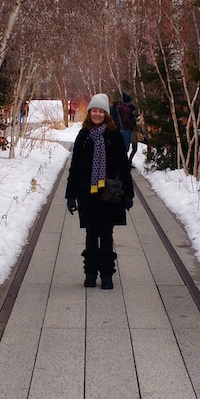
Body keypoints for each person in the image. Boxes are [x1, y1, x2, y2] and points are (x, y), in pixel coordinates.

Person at [65, 93, 134, 289]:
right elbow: (75, 167)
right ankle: (90, 273)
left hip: (109, 194)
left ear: (106, 113)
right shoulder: (83, 136)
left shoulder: (115, 137)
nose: (97, 114)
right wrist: (70, 196)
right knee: (90, 233)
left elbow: (123, 167)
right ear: (89, 113)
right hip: (87, 193)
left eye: (100, 111)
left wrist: (128, 194)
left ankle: (106, 274)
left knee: (105, 233)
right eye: (94, 110)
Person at [118, 93, 139, 163]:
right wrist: (132, 126)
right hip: (127, 130)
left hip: (122, 129)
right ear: (128, 101)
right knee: (125, 147)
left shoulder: (120, 108)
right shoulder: (127, 109)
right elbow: (126, 119)